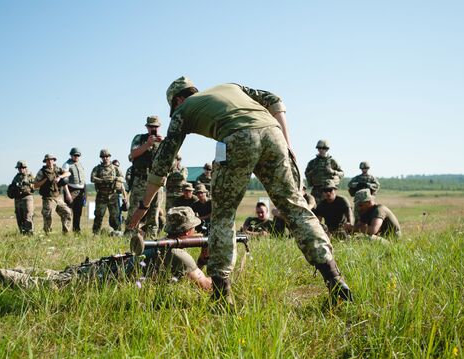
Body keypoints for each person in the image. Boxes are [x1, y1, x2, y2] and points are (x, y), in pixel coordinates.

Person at [128, 76, 352, 305]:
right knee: (295, 207)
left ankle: (221, 297)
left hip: (236, 136)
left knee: (223, 216)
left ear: (177, 100)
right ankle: (334, 277)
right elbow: (274, 99)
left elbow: (163, 162)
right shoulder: (231, 87)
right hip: (273, 133)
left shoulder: (182, 111)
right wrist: (287, 143)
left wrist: (144, 206)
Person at [0, 206, 212, 291]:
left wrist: (200, 259)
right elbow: (207, 286)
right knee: (36, 283)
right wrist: (213, 261)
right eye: (196, 229)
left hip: (99, 270)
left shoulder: (167, 248)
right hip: (96, 280)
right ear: (189, 231)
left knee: (41, 274)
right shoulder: (178, 253)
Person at [125, 116, 165, 237]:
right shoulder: (139, 139)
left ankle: (151, 239)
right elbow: (132, 155)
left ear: (159, 127)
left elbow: (172, 160)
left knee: (154, 211)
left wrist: (163, 143)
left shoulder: (163, 141)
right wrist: (147, 144)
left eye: (156, 127)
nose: (153, 129)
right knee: (134, 210)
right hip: (140, 180)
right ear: (147, 127)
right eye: (151, 127)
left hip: (156, 181)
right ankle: (129, 235)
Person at [33, 154, 72, 234]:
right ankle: (48, 234)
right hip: (48, 198)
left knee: (67, 212)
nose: (50, 161)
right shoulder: (42, 172)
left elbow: (68, 173)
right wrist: (45, 180)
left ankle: (66, 233)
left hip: (58, 197)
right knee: (48, 216)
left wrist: (60, 177)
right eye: (48, 160)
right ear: (45, 161)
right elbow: (35, 185)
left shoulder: (57, 169)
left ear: (54, 160)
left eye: (51, 160)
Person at [90, 149, 125, 234]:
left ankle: (116, 233)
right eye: (103, 157)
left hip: (113, 195)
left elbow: (122, 177)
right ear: (101, 158)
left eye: (107, 156)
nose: (105, 158)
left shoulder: (115, 168)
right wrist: (103, 180)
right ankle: (95, 233)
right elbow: (92, 178)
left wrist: (115, 179)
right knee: (98, 216)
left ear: (109, 157)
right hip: (101, 195)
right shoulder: (97, 168)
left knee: (115, 216)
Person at [62, 147, 87, 233]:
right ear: (71, 155)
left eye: (78, 155)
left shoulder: (80, 164)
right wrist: (67, 193)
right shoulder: (66, 164)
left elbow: (83, 180)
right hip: (71, 190)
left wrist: (85, 194)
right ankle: (66, 231)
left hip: (80, 191)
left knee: (78, 212)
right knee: (68, 212)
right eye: (74, 155)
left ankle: (77, 230)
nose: (76, 157)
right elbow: (63, 181)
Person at [8, 160, 36, 235]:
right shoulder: (16, 177)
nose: (21, 169)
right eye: (19, 168)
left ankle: (29, 233)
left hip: (27, 197)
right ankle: (22, 232)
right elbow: (12, 187)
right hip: (17, 198)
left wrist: (28, 184)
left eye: (23, 167)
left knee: (28, 215)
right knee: (19, 216)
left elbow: (35, 186)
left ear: (25, 167)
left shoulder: (30, 175)